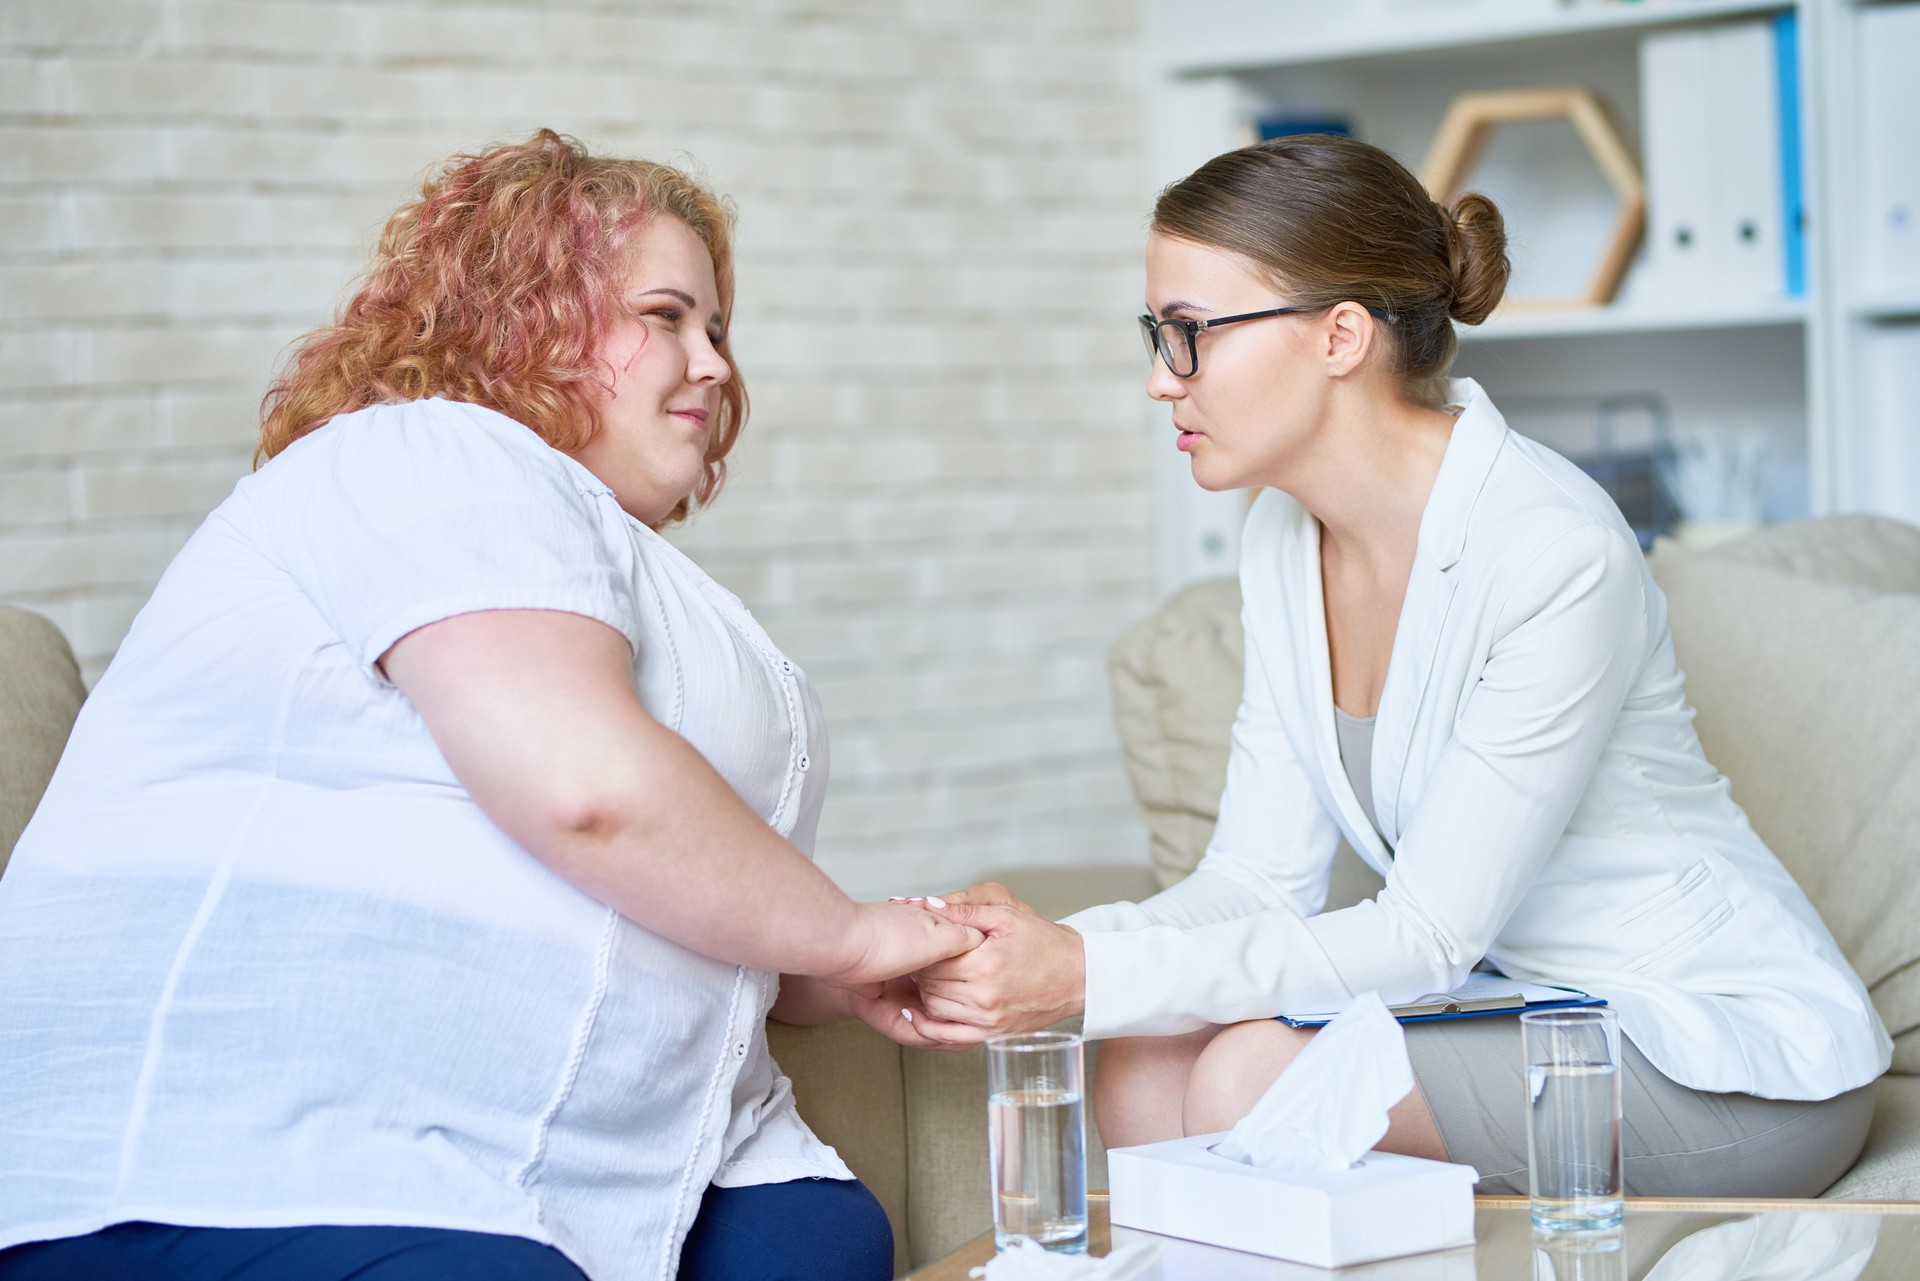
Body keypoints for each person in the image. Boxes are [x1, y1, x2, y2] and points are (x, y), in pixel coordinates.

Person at [0, 130, 978, 1281]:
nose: (712, 364)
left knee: (822, 1239)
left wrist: (877, 960)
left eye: (717, 328)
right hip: (282, 1156)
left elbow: (684, 909)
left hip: (646, 1161)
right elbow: (588, 792)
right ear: (522, 317)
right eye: (666, 316)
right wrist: (857, 931)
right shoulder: (423, 453)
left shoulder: (644, 581)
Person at [896, 135, 1891, 1197]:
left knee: (1249, 1077)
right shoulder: (1283, 536)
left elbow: (1425, 938)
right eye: (1155, 334)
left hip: (1717, 1051)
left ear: (1339, 336)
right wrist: (1033, 948)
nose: (1158, 380)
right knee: (1146, 1053)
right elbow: (1253, 881)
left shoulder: (1553, 549)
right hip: (1522, 1009)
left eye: (1188, 335)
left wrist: (1086, 974)